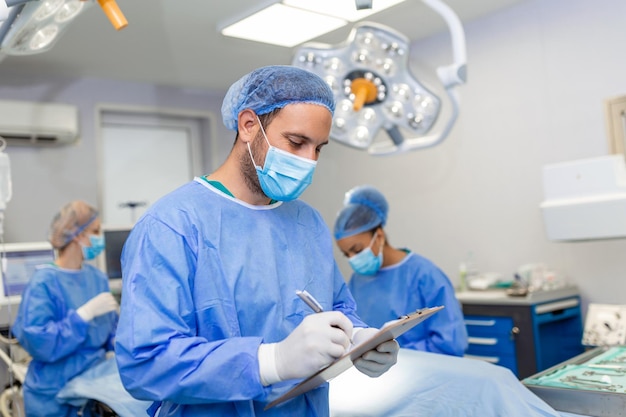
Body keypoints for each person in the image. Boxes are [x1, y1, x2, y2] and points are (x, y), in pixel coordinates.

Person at [114, 65, 399, 417]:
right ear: (249, 125)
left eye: (318, 148)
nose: (308, 161)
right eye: (296, 142)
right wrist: (271, 361)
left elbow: (336, 308)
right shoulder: (172, 225)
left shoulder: (306, 222)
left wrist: (358, 339)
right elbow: (145, 363)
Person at [12, 200, 119, 416]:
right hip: (53, 393)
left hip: (94, 387)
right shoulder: (43, 283)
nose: (100, 238)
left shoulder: (97, 279)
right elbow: (38, 341)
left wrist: (119, 345)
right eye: (95, 231)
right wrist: (82, 316)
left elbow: (110, 331)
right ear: (77, 234)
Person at [333, 185, 468, 357]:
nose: (353, 258)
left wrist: (395, 356)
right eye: (347, 254)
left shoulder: (424, 275)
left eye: (357, 250)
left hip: (423, 371)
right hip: (374, 376)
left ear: (379, 236)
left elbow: (450, 343)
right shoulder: (357, 281)